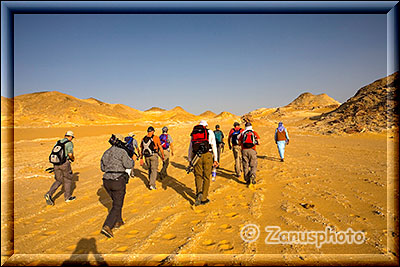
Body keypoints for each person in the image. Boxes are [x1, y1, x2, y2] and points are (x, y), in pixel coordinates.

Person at [100, 134, 134, 238]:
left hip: (106, 181)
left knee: (116, 202)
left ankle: (118, 221)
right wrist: (132, 159)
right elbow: (129, 165)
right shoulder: (122, 152)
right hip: (117, 180)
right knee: (117, 205)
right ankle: (108, 226)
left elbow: (102, 167)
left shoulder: (106, 152)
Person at [188, 120, 218, 206]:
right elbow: (214, 146)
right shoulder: (210, 132)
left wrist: (190, 159)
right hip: (207, 155)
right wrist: (215, 159)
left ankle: (198, 193)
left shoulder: (194, 133)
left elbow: (190, 147)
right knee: (206, 177)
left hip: (196, 156)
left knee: (198, 176)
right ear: (206, 126)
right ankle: (204, 198)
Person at [44, 130, 76, 205]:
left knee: (58, 180)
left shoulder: (58, 142)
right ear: (70, 137)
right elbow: (70, 154)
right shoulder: (69, 143)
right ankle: (67, 197)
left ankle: (49, 194)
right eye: (72, 137)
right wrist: (73, 159)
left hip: (56, 164)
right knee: (68, 179)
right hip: (64, 164)